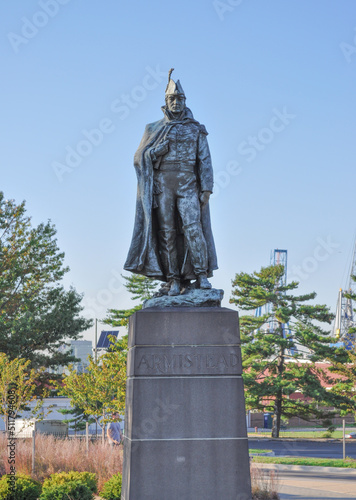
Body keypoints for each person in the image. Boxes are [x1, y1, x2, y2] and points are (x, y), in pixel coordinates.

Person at [124, 69, 217, 296]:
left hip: (188, 184)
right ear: (165, 102)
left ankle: (201, 274)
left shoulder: (196, 128)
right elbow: (139, 158)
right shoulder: (153, 128)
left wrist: (206, 188)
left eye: (180, 99)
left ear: (185, 101)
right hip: (163, 185)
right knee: (166, 233)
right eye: (172, 99)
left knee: (194, 229)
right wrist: (155, 152)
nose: (176, 103)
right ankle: (173, 279)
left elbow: (204, 159)